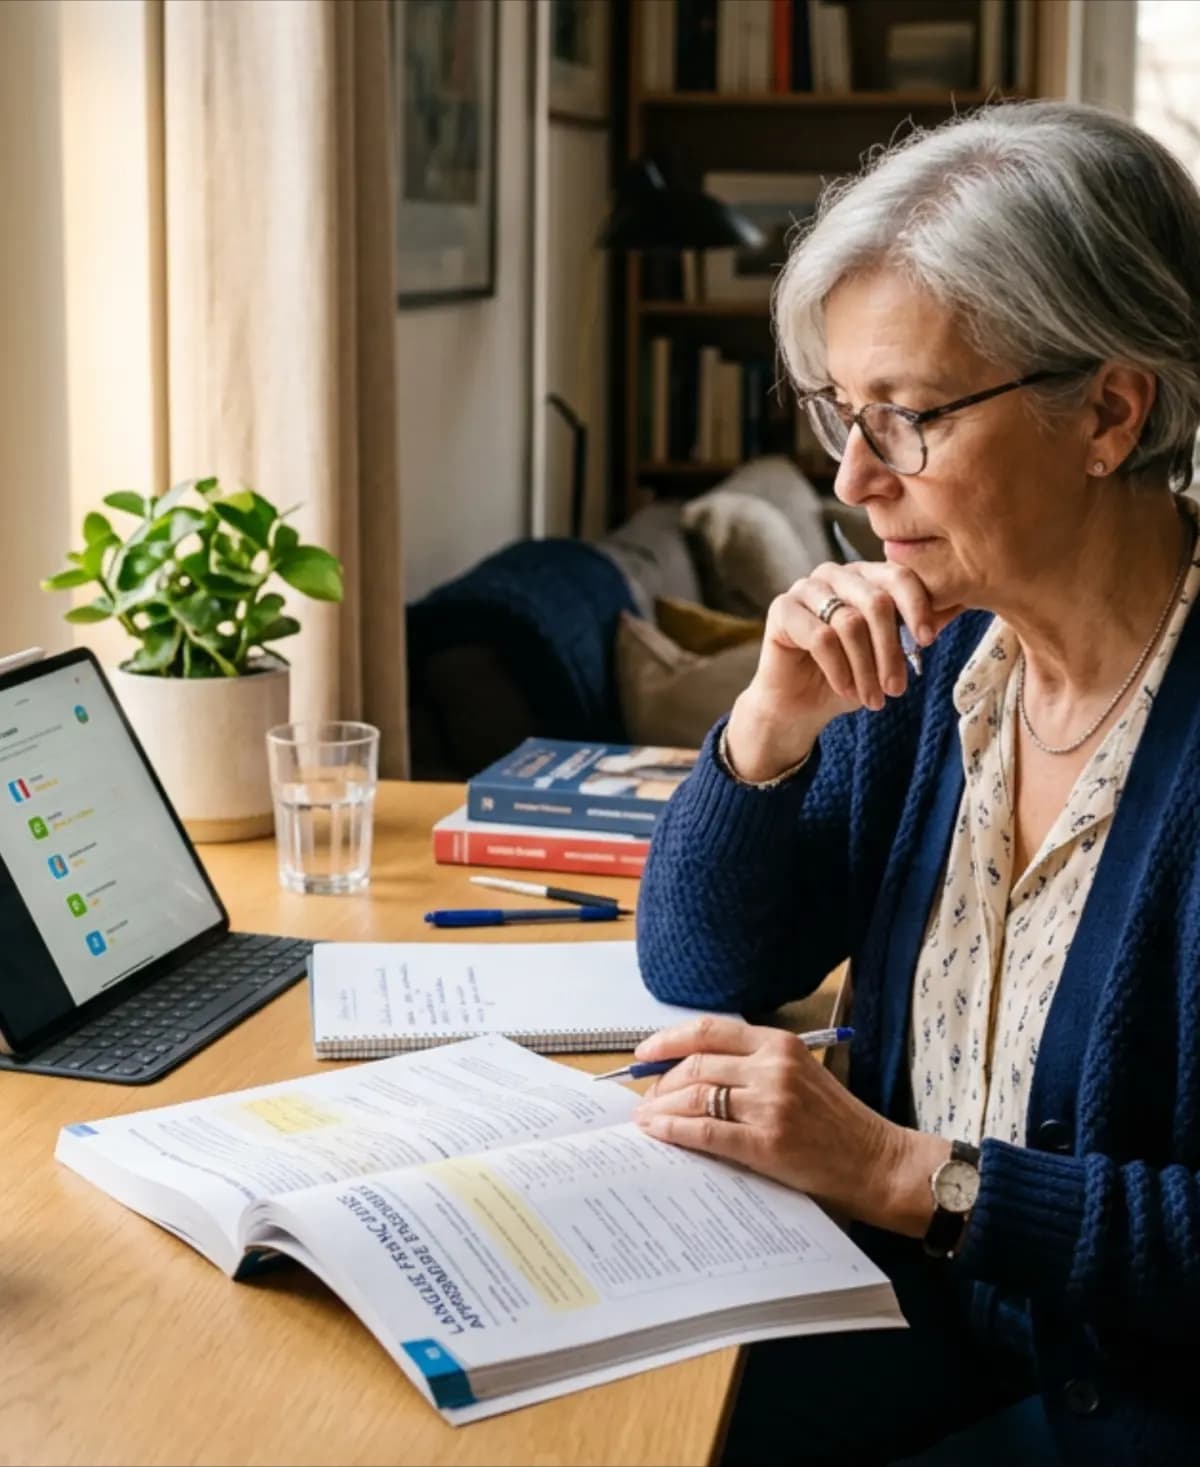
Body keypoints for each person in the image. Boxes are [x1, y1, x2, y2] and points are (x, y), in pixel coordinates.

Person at [633, 101, 1200, 1467]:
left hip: (1140, 1403)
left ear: (1110, 413)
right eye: (843, 412)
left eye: (906, 417)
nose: (853, 476)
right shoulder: (926, 670)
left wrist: (899, 1174)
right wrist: (768, 721)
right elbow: (701, 957)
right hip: (919, 1332)